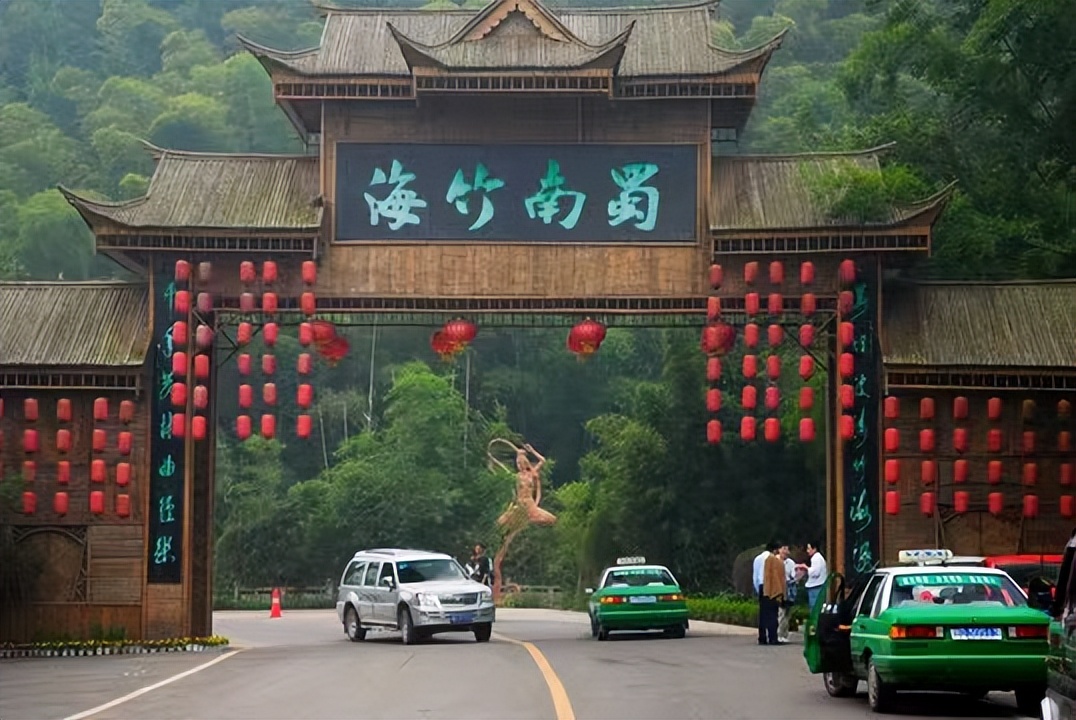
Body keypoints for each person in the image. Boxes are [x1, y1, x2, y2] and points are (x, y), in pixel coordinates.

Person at [761, 541, 786, 645]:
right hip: (774, 592)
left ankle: (770, 637)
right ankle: (773, 637)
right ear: (776, 549)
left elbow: (767, 578)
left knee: (768, 616)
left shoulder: (770, 560)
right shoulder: (774, 561)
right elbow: (774, 577)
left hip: (769, 592)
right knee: (773, 616)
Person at [777, 545, 799, 643]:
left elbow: (794, 576)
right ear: (779, 550)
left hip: (788, 590)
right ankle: (778, 634)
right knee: (780, 613)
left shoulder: (791, 563)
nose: (785, 551)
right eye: (783, 549)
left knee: (787, 614)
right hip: (779, 590)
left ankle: (784, 635)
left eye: (787, 549)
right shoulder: (775, 560)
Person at [800, 541, 828, 610]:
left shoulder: (816, 558)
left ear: (814, 549)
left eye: (809, 549)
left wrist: (806, 567)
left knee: (814, 608)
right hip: (817, 586)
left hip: (816, 586)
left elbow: (815, 573)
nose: (807, 551)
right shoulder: (818, 557)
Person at [752, 544, 771, 645]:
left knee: (762, 613)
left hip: (761, 586)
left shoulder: (757, 558)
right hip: (770, 586)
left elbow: (755, 577)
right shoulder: (772, 559)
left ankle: (762, 636)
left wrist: (758, 589)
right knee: (772, 613)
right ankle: (772, 635)